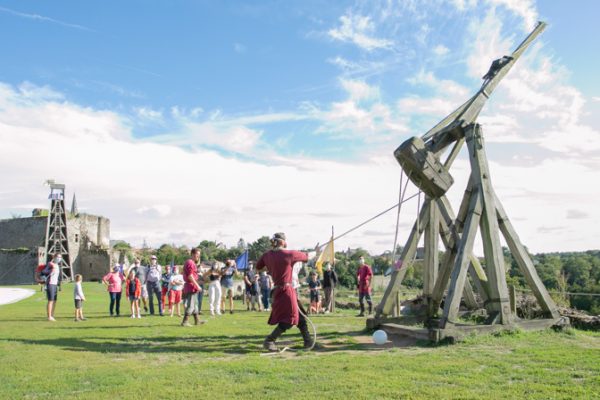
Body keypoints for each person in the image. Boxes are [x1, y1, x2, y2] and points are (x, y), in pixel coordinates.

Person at [257, 232, 314, 352]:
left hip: (278, 289)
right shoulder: (289, 254)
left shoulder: (267, 255)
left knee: (300, 316)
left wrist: (272, 267)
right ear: (283, 242)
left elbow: (259, 266)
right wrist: (316, 252)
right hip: (287, 290)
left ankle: (307, 340)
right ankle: (270, 340)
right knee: (290, 319)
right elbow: (307, 257)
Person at [181, 248, 204, 326]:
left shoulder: (191, 262)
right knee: (191, 305)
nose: (198, 257)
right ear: (192, 254)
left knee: (195, 305)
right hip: (191, 286)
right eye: (196, 255)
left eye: (199, 255)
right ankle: (185, 322)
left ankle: (197, 321)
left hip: (191, 286)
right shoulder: (190, 263)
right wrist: (197, 286)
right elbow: (190, 276)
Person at [45, 253, 61, 321]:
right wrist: (50, 271)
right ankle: (49, 316)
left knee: (54, 300)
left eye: (60, 257)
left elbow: (58, 277)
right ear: (54, 257)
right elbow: (44, 271)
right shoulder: (50, 264)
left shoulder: (57, 265)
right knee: (50, 300)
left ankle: (52, 315)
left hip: (55, 284)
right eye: (58, 257)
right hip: (50, 283)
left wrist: (59, 285)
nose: (59, 258)